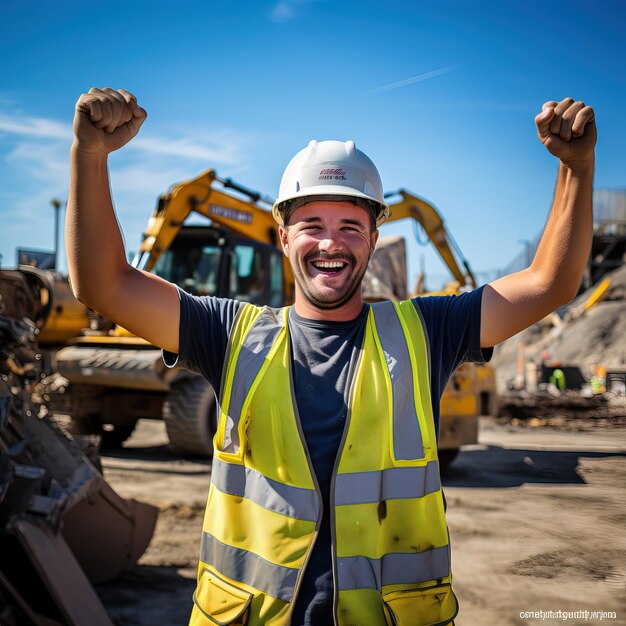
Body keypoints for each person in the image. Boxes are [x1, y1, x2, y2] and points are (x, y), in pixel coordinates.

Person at [66, 88, 595, 626]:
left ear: (371, 239)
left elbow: (549, 283)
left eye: (349, 227)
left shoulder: (426, 332)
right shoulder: (229, 334)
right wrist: (90, 156)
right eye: (312, 226)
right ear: (282, 236)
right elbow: (104, 284)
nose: (329, 244)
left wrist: (575, 167)